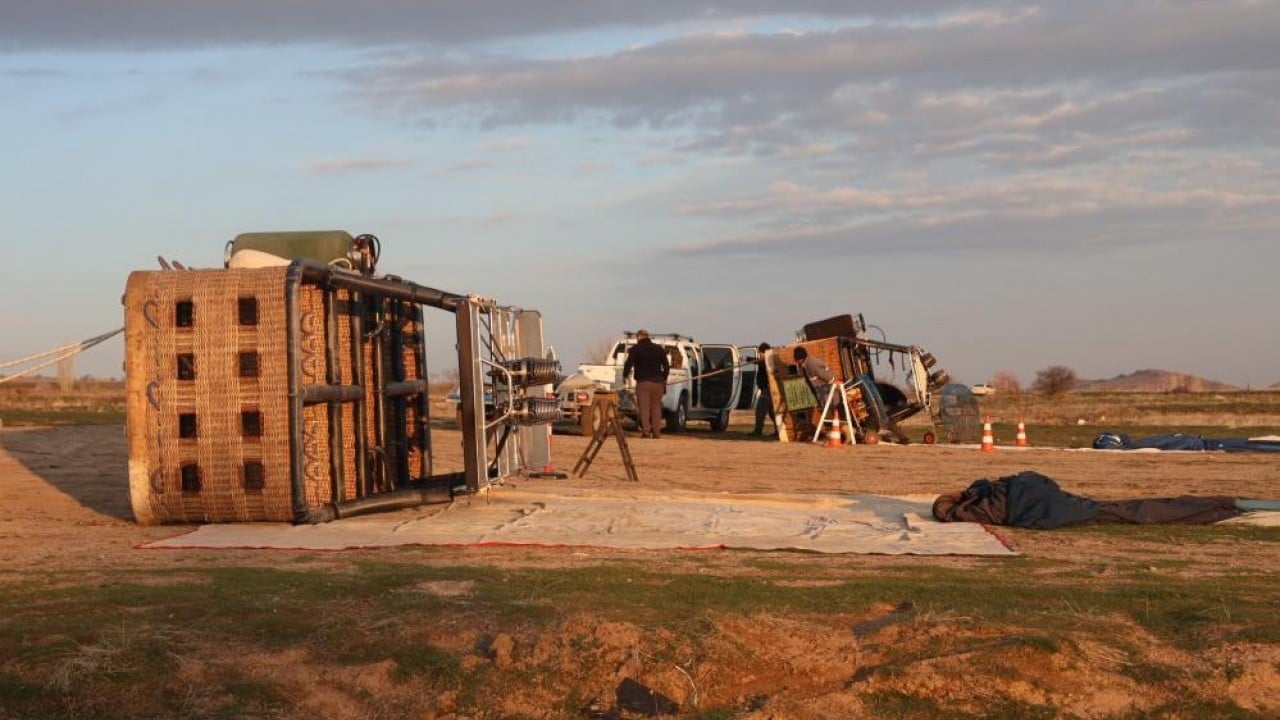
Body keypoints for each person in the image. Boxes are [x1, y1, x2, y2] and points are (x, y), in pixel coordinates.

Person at [623, 329, 670, 439]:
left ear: (639, 337)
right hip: (658, 383)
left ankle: (646, 432)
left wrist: (625, 375)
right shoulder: (659, 349)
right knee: (656, 407)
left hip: (643, 383)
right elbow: (666, 366)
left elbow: (628, 364)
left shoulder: (635, 349)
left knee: (644, 408)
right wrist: (664, 377)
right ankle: (657, 433)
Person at [751, 343, 777, 436]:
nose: (759, 354)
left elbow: (760, 362)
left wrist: (747, 359)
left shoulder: (767, 360)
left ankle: (758, 431)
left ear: (763, 352)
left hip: (767, 390)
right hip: (767, 390)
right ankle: (778, 431)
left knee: (760, 411)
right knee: (772, 412)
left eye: (760, 352)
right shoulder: (766, 360)